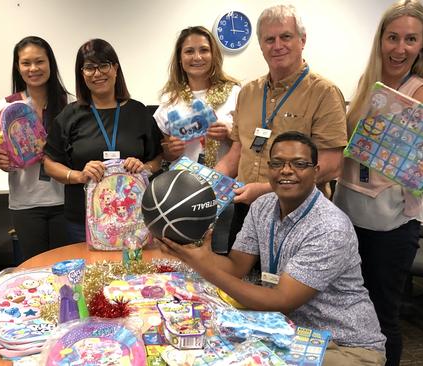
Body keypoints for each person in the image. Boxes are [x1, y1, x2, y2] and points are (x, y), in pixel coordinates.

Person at [159, 131, 387, 365]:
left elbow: (281, 300)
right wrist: (199, 255)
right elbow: (236, 267)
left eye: (299, 164)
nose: (286, 170)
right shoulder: (263, 206)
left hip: (342, 345)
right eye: (277, 163)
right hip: (288, 332)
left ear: (316, 171)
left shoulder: (329, 227)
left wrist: (206, 268)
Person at [332, 1, 423, 364]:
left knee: (382, 317)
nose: (400, 48)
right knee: (348, 310)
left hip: (390, 225)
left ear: (422, 45)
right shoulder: (369, 85)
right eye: (393, 37)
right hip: (349, 215)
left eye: (410, 39)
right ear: (380, 40)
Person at [214, 4, 347, 252]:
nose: (277, 46)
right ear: (261, 45)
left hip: (298, 213)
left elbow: (330, 165)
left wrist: (266, 190)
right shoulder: (248, 92)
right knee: (238, 284)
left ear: (302, 40)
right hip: (246, 210)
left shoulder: (324, 93)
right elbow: (236, 153)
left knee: (285, 288)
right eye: (269, 39)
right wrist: (205, 182)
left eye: (285, 36)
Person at [43, 39, 163, 243]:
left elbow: (157, 159)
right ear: (82, 73)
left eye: (104, 65)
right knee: (89, 274)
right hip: (84, 222)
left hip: (134, 219)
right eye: (89, 68)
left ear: (115, 68)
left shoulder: (138, 112)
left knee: (135, 274)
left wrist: (143, 168)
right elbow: (49, 163)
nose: (97, 73)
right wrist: (79, 176)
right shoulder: (70, 115)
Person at [154, 26, 241, 252]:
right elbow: (164, 153)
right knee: (184, 257)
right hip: (182, 196)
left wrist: (230, 133)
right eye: (189, 51)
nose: (197, 57)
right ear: (180, 58)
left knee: (221, 258)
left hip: (224, 191)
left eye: (204, 50)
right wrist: (170, 149)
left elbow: (248, 143)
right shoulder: (168, 101)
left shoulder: (235, 94)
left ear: (214, 55)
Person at [0, 36, 71, 261]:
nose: (33, 68)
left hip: (65, 201)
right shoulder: (7, 106)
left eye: (40, 61)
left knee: (65, 269)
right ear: (18, 67)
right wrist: (3, 161)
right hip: (25, 202)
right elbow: (4, 152)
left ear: (50, 64)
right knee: (34, 269)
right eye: (26, 63)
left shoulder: (70, 103)